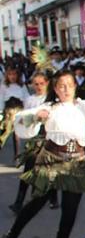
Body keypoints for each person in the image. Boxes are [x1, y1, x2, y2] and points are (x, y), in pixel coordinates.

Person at [0, 70, 85, 238]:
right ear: (55, 88)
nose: (66, 89)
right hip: (51, 159)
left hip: (76, 160)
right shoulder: (49, 107)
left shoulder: (82, 106)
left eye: (69, 85)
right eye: (61, 85)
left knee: (70, 209)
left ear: (75, 86)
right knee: (37, 202)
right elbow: (23, 120)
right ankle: (11, 236)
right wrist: (37, 118)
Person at [8, 71, 58, 214]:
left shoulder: (51, 99)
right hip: (34, 138)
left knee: (50, 169)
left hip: (49, 136)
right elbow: (26, 116)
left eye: (41, 83)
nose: (39, 86)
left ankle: (53, 198)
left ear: (47, 83)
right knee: (28, 169)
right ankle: (19, 202)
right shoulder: (30, 99)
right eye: (36, 84)